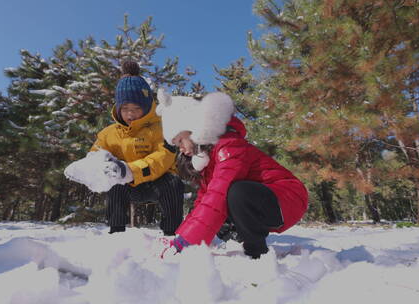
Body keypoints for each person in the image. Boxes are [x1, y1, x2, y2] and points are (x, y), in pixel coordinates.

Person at [155, 89, 308, 259]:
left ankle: (256, 252)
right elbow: (204, 201)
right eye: (177, 145)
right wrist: (181, 237)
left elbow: (218, 194)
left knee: (234, 192)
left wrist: (186, 242)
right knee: (213, 205)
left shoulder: (228, 145)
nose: (181, 149)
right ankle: (237, 238)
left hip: (287, 197)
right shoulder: (208, 158)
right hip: (263, 199)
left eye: (180, 141)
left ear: (194, 128)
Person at [90, 61, 184, 236]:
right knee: (115, 182)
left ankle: (172, 234)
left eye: (136, 108)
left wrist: (130, 170)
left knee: (174, 183)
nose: (130, 114)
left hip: (158, 182)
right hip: (128, 185)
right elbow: (94, 156)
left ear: (147, 105)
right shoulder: (108, 134)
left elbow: (163, 157)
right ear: (118, 108)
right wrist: (98, 166)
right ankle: (116, 232)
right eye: (125, 108)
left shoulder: (162, 128)